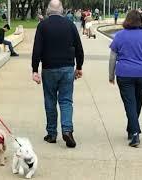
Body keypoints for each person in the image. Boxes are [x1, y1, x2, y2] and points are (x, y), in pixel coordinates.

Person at [32, 0, 84, 148]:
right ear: (61, 10)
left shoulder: (42, 26)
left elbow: (37, 49)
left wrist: (35, 70)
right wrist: (79, 67)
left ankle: (52, 134)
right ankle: (67, 130)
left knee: (50, 100)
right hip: (67, 67)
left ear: (48, 10)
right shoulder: (70, 25)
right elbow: (79, 48)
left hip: (48, 68)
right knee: (66, 100)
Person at [108, 10, 142, 147]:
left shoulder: (119, 36)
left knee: (130, 103)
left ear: (127, 20)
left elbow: (112, 57)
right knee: (137, 103)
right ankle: (132, 130)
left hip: (124, 74)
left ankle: (135, 133)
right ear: (140, 20)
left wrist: (111, 75)